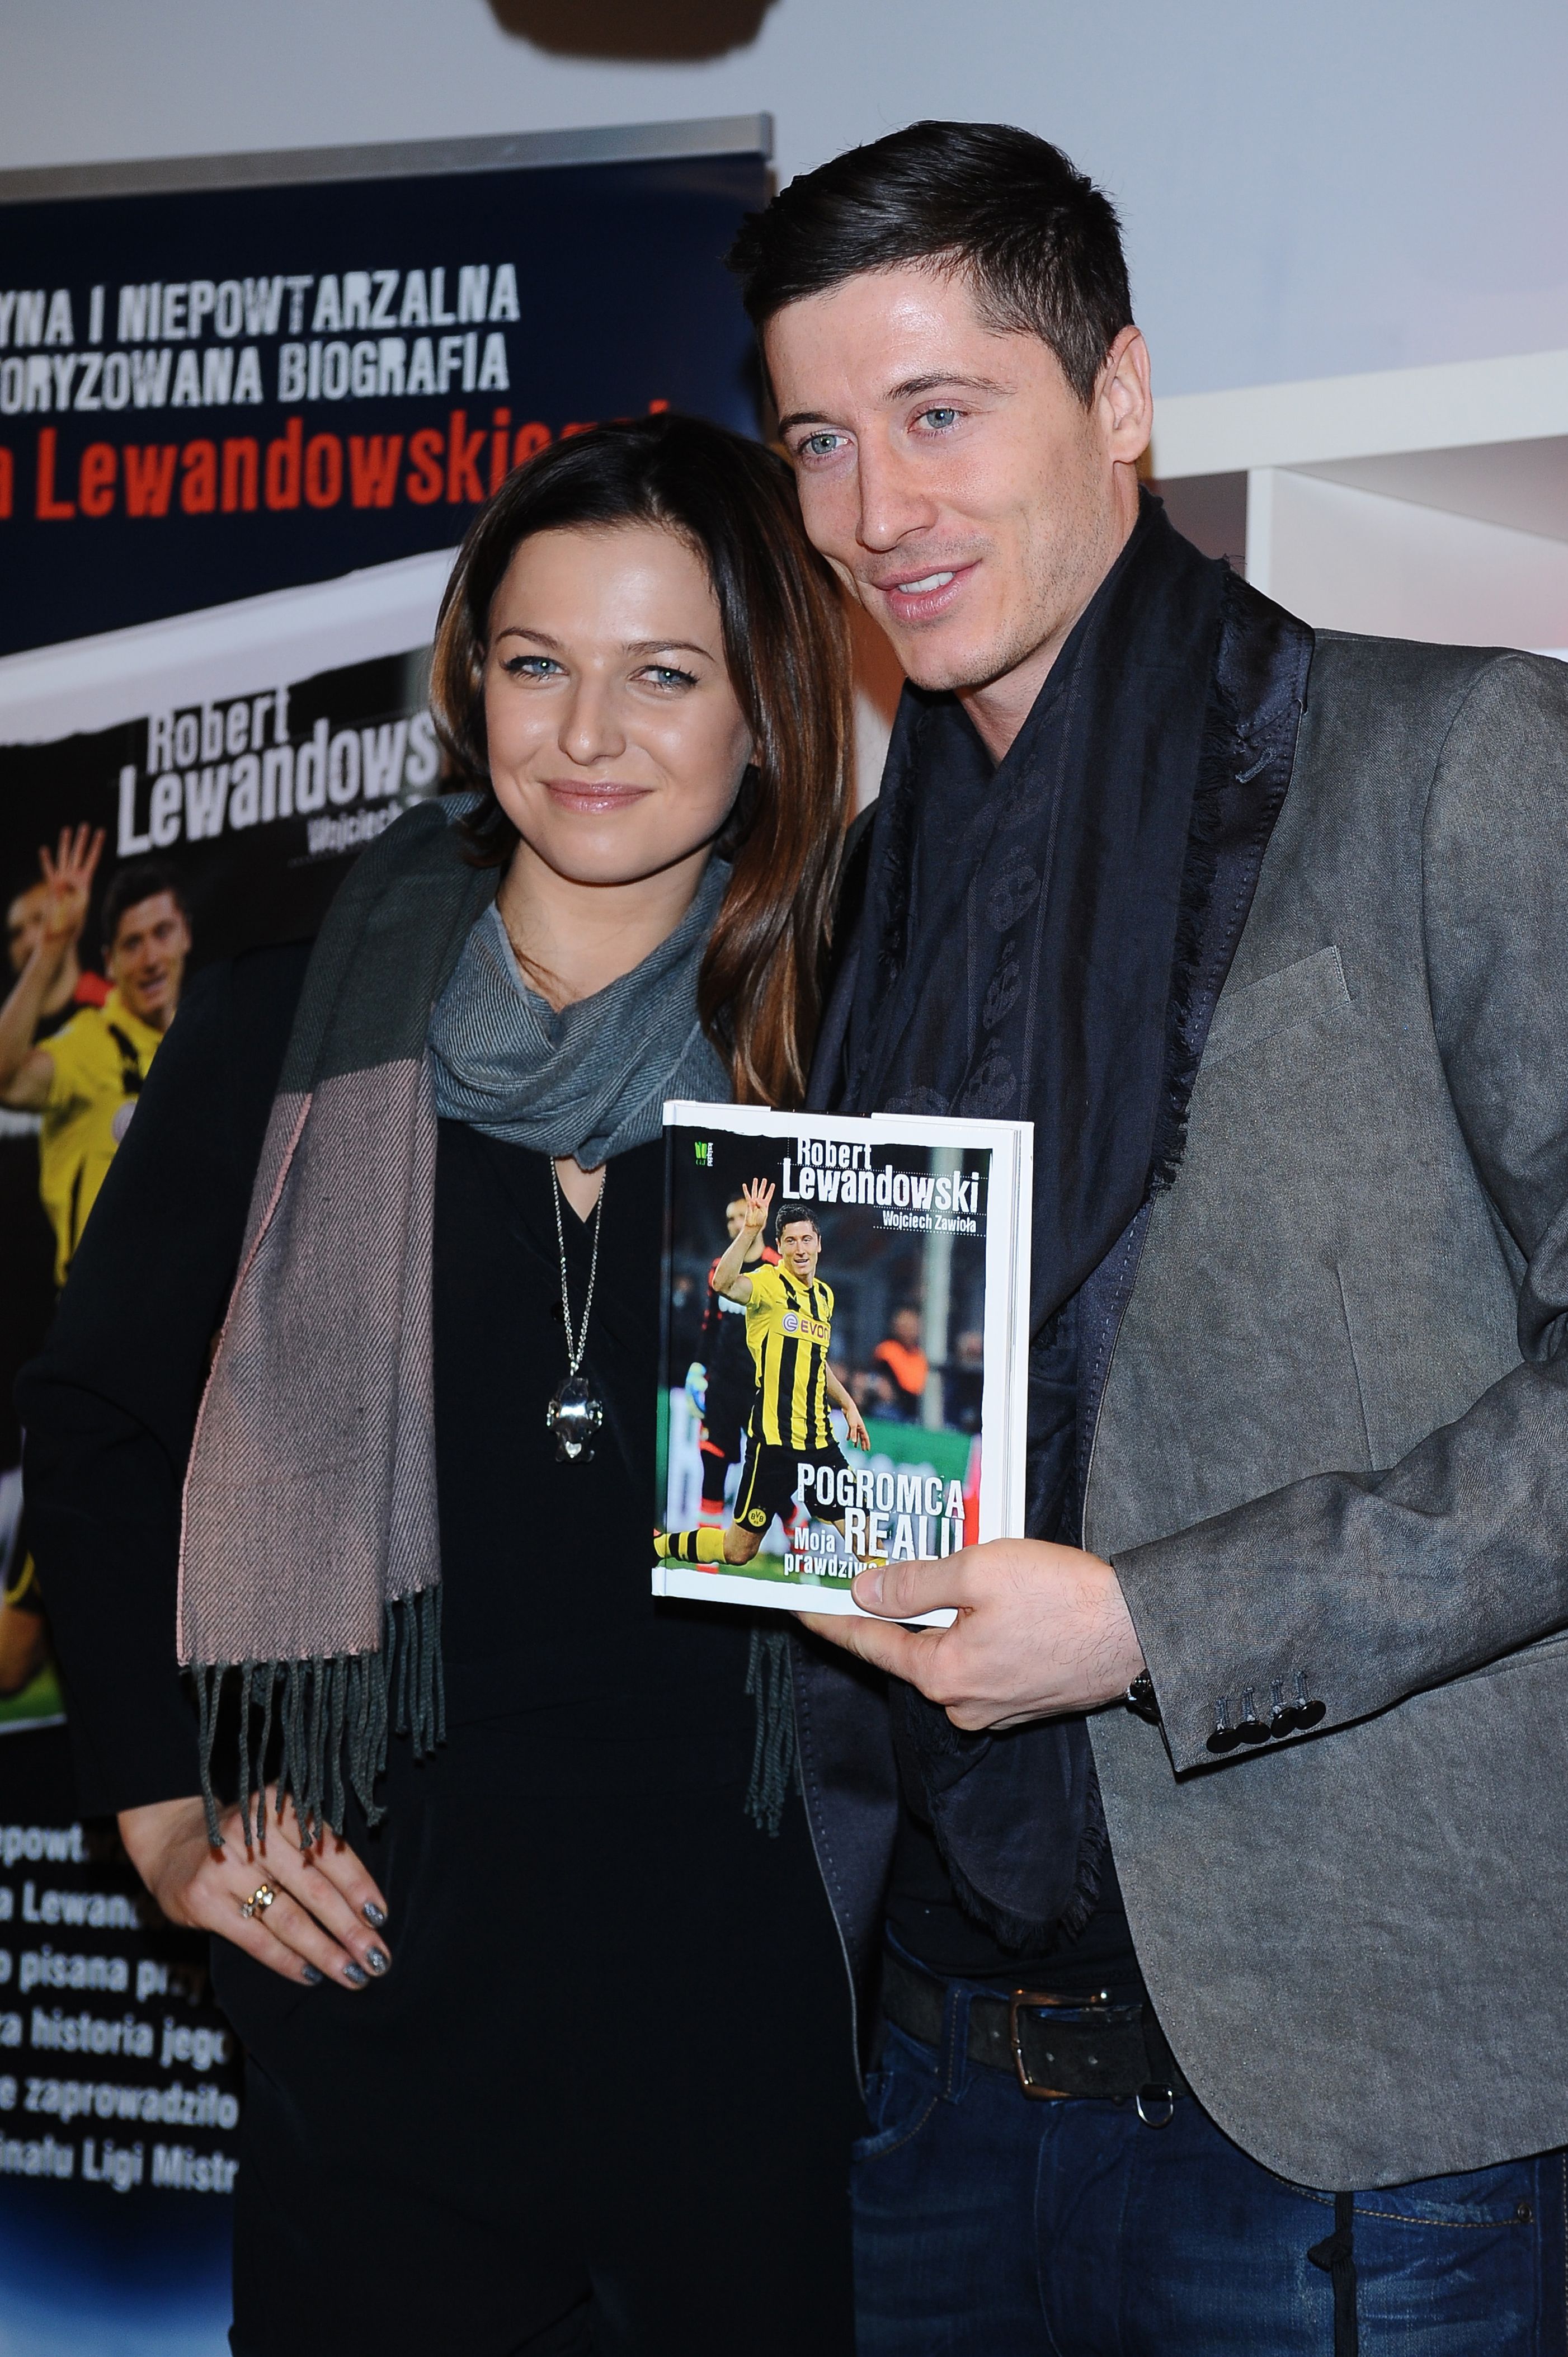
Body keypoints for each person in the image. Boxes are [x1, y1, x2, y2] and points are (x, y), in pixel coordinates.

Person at [729, 119, 1568, 2355]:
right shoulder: (856, 891)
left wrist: (1151, 1625)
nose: (875, 511)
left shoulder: (1455, 758)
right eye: (820, 441)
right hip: (926, 2081)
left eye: (938, 413)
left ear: (1115, 396)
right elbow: (854, 1429)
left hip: (1345, 2120)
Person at [20, 414, 861, 2357]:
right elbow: (97, 1423)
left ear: (767, 708)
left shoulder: (858, 1031)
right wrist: (160, 1814)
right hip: (380, 2009)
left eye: (666, 674)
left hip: (757, 2028)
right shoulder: (289, 1011)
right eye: (536, 663)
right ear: (470, 679)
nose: (590, 732)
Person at [0, 835, 190, 1283]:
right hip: (103, 1304)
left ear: (186, 934)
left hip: (184, 1301)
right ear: (109, 962)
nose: (150, 959)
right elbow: (6, 1080)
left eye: (162, 933)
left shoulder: (199, 1048)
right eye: (132, 944)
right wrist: (52, 946)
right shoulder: (93, 1040)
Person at [659, 1180, 869, 1567]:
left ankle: (890, 1599)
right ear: (781, 1246)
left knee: (866, 1540)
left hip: (819, 1441)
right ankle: (661, 1549)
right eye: (791, 1241)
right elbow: (722, 1286)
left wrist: (848, 1404)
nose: (800, 1248)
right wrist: (750, 1231)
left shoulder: (824, 1297)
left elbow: (815, 1360)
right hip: (769, 1439)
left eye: (807, 1240)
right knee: (738, 1549)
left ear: (819, 1244)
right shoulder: (768, 1282)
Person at [693, 1190, 778, 1527]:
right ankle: (707, 1557)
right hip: (722, 1386)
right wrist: (698, 1368)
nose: (736, 1225)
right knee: (712, 1465)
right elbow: (710, 1325)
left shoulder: (778, 1270)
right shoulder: (719, 1269)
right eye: (731, 1219)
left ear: (759, 1221)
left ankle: (797, 1533)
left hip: (761, 1390)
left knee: (769, 1476)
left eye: (742, 1217)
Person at [872, 1305, 927, 1420]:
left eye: (912, 1327)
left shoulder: (919, 1356)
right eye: (904, 1327)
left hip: (912, 1412)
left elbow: (916, 1387)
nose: (908, 1332)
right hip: (889, 1408)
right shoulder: (887, 1350)